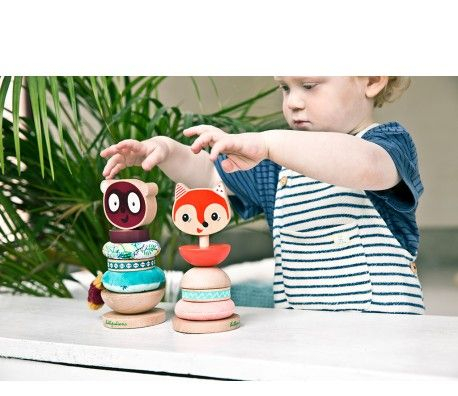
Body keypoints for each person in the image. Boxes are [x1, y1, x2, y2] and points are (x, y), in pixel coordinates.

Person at [100, 76, 424, 314]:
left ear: (372, 80)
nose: (293, 102)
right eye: (285, 88)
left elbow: (365, 165)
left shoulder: (386, 144)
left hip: (383, 333)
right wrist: (169, 152)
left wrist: (268, 144)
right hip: (301, 334)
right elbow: (211, 176)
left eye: (309, 85)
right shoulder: (277, 169)